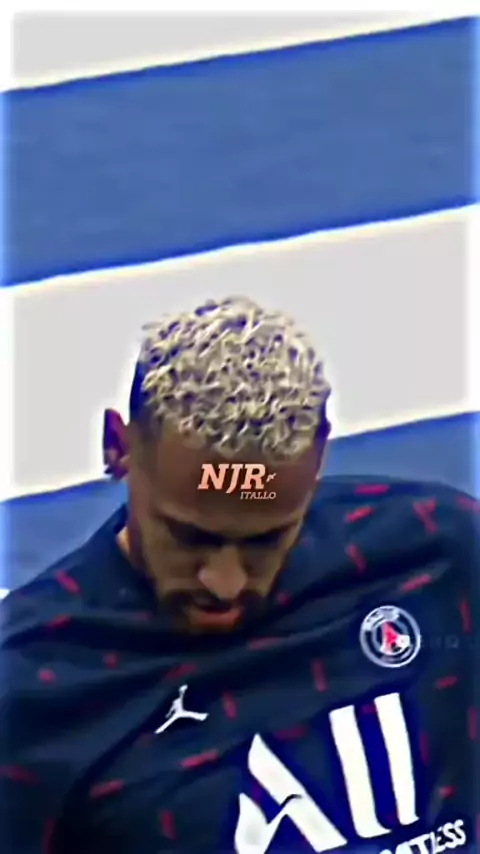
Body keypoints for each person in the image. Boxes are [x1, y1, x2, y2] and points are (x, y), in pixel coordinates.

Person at [0, 295, 478, 854]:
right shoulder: (28, 687)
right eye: (189, 537)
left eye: (265, 540)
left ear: (319, 457)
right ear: (119, 447)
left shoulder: (439, 556)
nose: (224, 583)